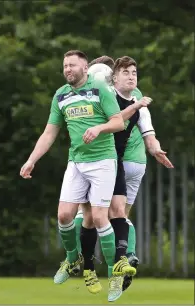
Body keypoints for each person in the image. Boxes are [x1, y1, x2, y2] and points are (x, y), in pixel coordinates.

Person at [19, 50, 135, 302]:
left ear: (85, 68)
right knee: (63, 215)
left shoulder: (100, 90)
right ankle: (73, 259)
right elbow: (49, 133)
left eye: (72, 65)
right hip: (77, 162)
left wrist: (99, 127)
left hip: (103, 161)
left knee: (100, 217)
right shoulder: (61, 95)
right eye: (65, 66)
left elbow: (118, 122)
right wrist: (31, 160)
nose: (67, 69)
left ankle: (114, 274)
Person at [70, 56, 173, 300]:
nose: (130, 76)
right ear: (114, 76)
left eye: (133, 72)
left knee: (92, 215)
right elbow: (141, 130)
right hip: (130, 163)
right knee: (117, 216)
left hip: (113, 162)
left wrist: (155, 147)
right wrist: (154, 147)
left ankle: (86, 261)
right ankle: (119, 259)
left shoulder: (107, 97)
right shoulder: (131, 98)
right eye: (126, 72)